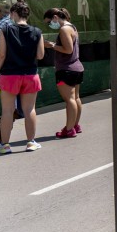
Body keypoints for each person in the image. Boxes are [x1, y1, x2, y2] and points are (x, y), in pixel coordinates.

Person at [0, 0, 45, 153]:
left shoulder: (6, 30)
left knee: (7, 110)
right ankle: (31, 142)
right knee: (29, 109)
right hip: (30, 74)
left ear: (13, 14)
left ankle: (5, 145)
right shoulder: (37, 31)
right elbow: (40, 55)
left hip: (9, 75)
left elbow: (1, 55)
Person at [43, 8, 84, 138]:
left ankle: (69, 128)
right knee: (76, 98)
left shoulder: (64, 29)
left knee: (70, 99)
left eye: (49, 22)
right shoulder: (72, 27)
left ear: (55, 17)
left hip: (66, 69)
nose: (49, 25)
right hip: (76, 68)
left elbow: (68, 50)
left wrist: (51, 45)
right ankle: (74, 125)